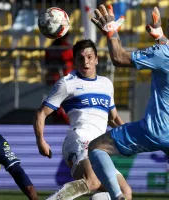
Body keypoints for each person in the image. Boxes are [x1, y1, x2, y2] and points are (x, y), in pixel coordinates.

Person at [88, 4, 169, 200]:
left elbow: (118, 57)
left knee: (96, 147)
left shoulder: (163, 54)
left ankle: (118, 196)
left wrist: (111, 32)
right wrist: (161, 38)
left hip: (156, 129)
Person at [33, 39, 132, 200]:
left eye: (89, 57)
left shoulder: (106, 84)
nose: (85, 62)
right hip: (78, 139)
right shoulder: (67, 83)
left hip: (99, 147)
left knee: (125, 193)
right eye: (80, 58)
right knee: (91, 181)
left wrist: (130, 136)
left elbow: (113, 118)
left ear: (97, 59)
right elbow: (41, 113)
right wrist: (40, 141)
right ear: (75, 61)